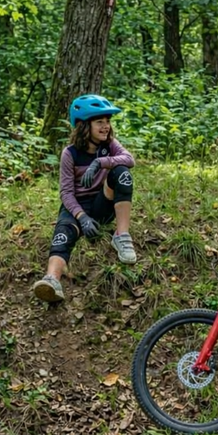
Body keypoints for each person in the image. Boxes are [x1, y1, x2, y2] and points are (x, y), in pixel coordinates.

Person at [32, 94, 137, 303]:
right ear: (83, 126)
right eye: (99, 122)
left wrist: (101, 162)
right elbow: (66, 193)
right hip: (76, 207)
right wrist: (82, 217)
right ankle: (52, 281)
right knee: (64, 234)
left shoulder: (109, 145)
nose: (106, 126)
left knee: (122, 172)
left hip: (101, 202)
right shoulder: (70, 154)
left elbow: (129, 159)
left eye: (107, 121)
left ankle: (122, 236)